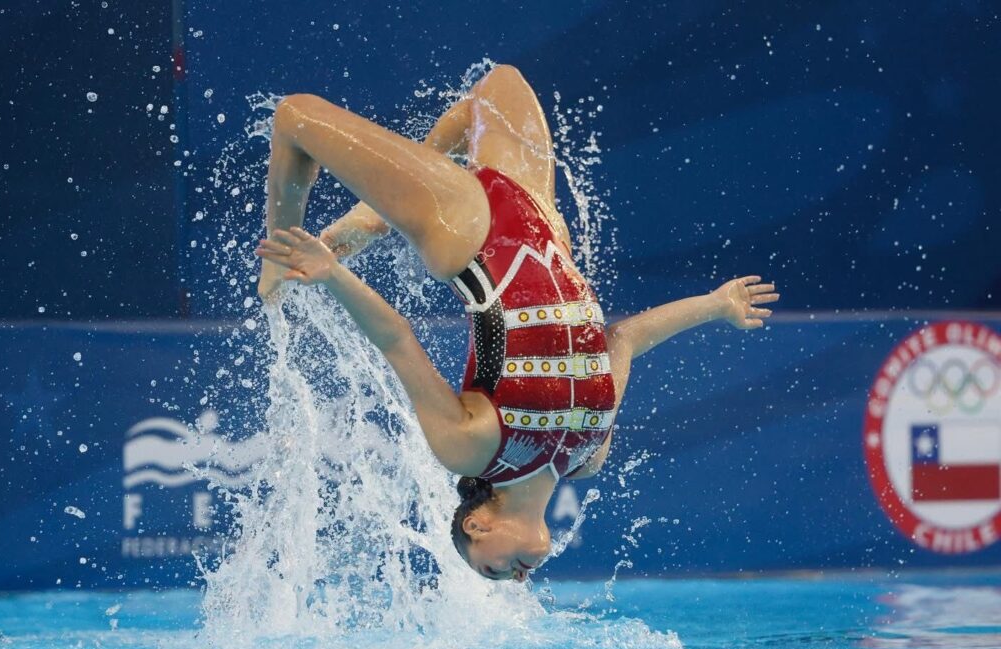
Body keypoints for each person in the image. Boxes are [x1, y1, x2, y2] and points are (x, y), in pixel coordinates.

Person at [254, 65, 779, 582]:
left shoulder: (471, 450)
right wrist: (714, 304)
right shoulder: (587, 457)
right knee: (493, 89)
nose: (516, 578)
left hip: (470, 233)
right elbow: (623, 338)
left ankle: (294, 243)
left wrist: (330, 274)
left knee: (296, 117)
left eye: (492, 571)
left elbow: (396, 340)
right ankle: (380, 211)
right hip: (541, 219)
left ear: (477, 525)